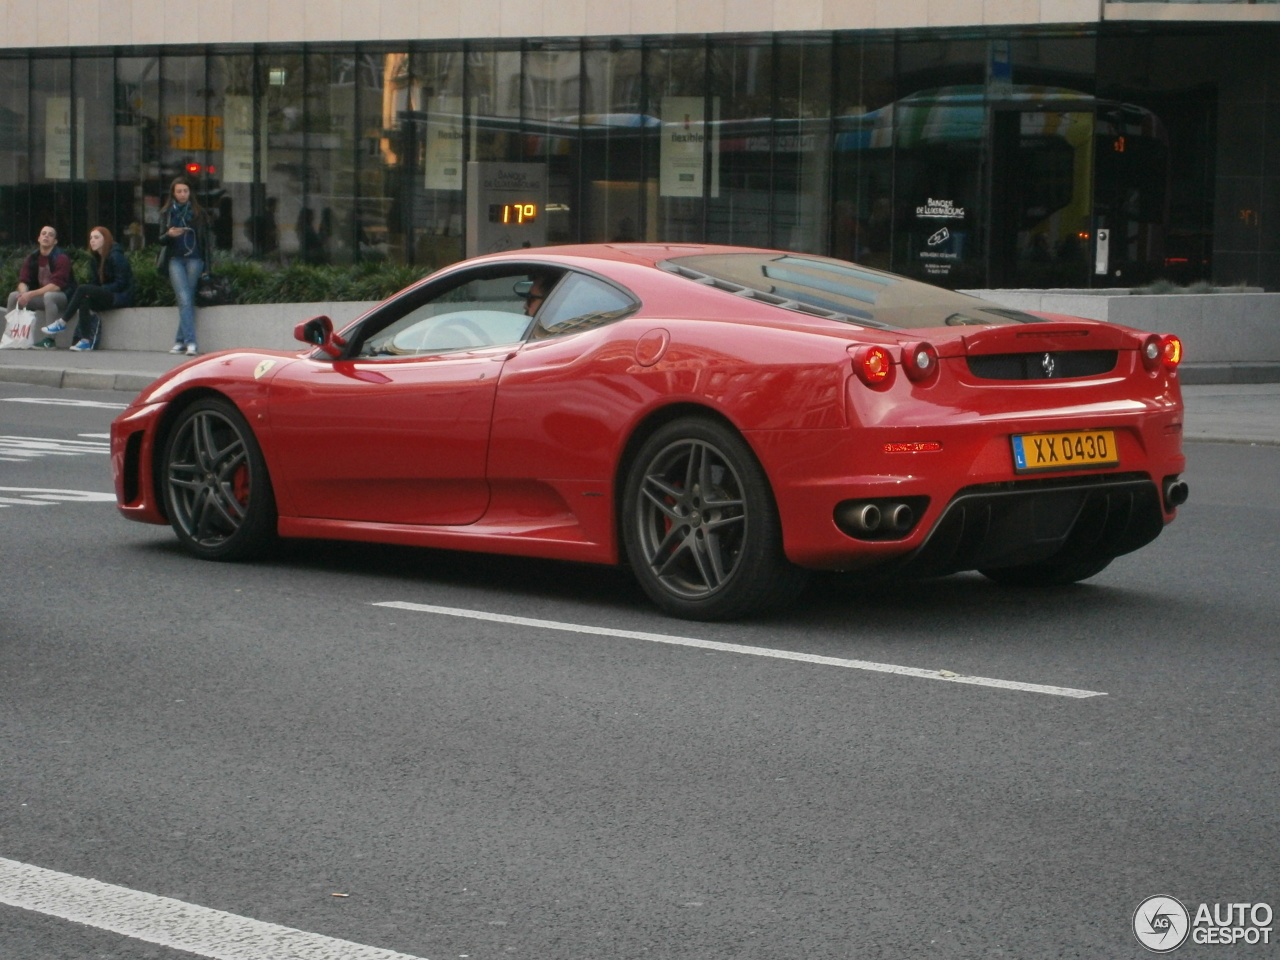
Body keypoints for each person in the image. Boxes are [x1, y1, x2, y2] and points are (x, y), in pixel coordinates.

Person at [42, 226, 134, 351]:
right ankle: (85, 340)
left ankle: (62, 322)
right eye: (91, 238)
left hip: (120, 296)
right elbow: (94, 283)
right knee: (84, 299)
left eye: (96, 237)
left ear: (105, 240)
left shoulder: (116, 256)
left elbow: (121, 283)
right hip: (106, 295)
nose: (92, 241)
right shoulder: (94, 259)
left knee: (83, 289)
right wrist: (96, 291)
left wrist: (101, 289)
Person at [157, 176, 212, 356]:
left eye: (185, 191)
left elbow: (206, 242)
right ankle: (191, 342)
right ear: (173, 193)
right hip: (175, 259)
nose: (182, 195)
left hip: (195, 259)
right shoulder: (167, 212)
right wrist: (169, 234)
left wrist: (207, 267)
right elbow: (160, 239)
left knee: (186, 299)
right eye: (179, 191)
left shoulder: (198, 213)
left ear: (190, 193)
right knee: (184, 297)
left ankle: (180, 341)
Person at [7, 225, 75, 336]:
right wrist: (24, 294)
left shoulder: (61, 258)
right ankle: (11, 335)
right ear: (39, 238)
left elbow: (56, 286)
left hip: (64, 297)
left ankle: (49, 339)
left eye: (50, 235)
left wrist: (30, 294)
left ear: (55, 241)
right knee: (14, 296)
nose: (46, 236)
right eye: (43, 234)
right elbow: (23, 280)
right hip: (40, 296)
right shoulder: (32, 258)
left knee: (49, 296)